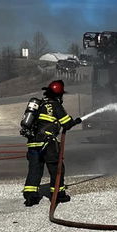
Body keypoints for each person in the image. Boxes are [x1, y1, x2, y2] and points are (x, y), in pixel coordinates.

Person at [21, 79, 82, 207]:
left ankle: (30, 197)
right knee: (56, 169)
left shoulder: (40, 104)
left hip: (33, 143)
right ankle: (58, 195)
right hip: (48, 144)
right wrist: (75, 121)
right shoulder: (55, 105)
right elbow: (66, 123)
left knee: (34, 170)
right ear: (59, 94)